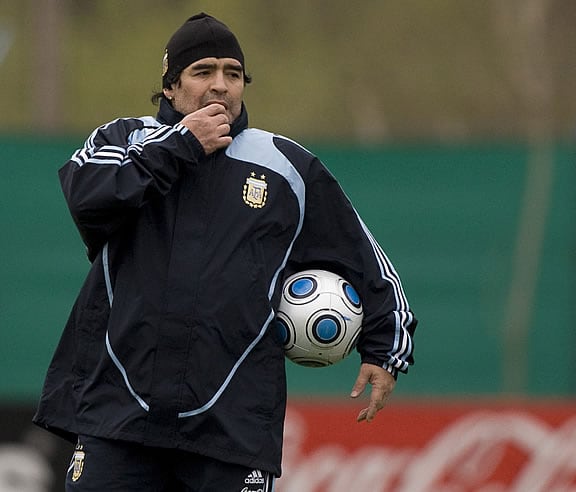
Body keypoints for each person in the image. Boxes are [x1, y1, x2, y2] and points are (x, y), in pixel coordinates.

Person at [33, 12, 417, 491]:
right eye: (203, 72)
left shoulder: (285, 166)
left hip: (231, 431)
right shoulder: (122, 140)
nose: (220, 85)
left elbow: (365, 259)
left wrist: (386, 349)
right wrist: (180, 146)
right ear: (171, 88)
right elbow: (86, 193)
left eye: (232, 74)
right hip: (117, 418)